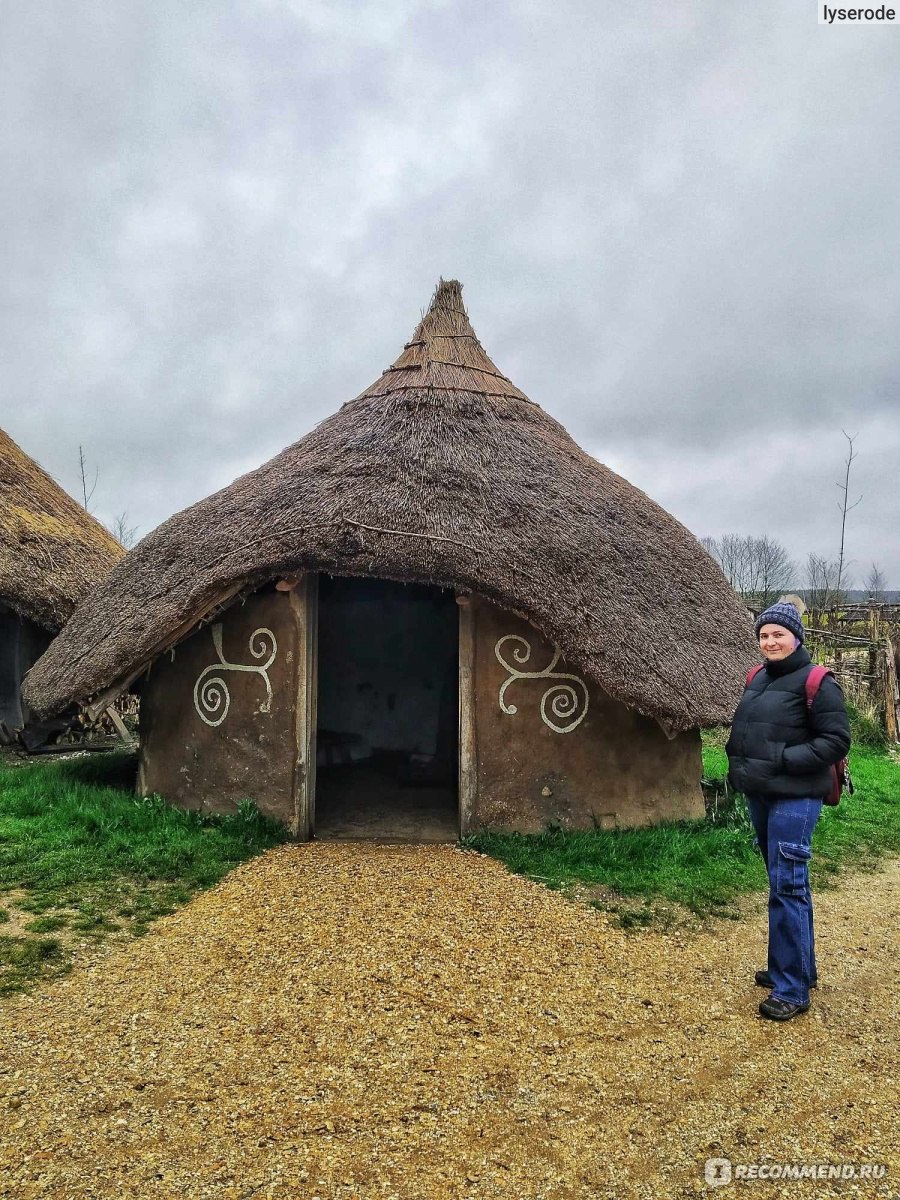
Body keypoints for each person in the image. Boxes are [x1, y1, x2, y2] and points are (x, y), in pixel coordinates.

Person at [726, 601, 851, 1021]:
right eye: (764, 635)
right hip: (761, 794)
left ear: (796, 637)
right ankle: (799, 967)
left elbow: (835, 741)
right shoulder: (757, 677)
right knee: (785, 882)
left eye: (778, 634)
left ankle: (792, 990)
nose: (770, 641)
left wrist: (781, 759)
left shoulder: (818, 682)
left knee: (788, 886)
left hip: (795, 797)